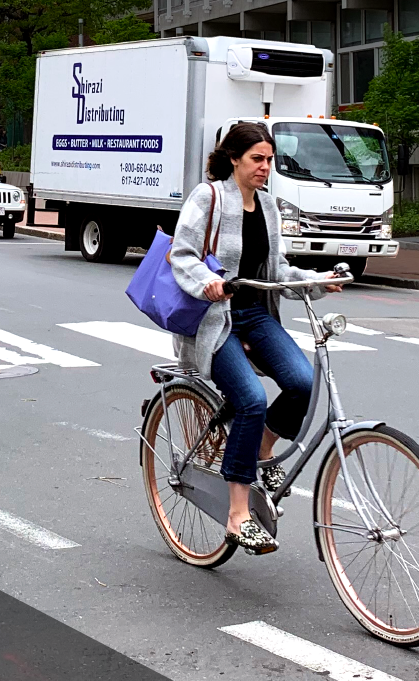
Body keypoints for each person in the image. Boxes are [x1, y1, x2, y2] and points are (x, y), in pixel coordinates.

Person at [165, 123, 343, 555]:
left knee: (303, 383)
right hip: (214, 318)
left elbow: (277, 270)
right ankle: (238, 515)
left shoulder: (267, 206)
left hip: (254, 313)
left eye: (269, 160)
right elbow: (182, 254)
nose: (265, 168)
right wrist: (208, 282)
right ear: (234, 159)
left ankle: (262, 450)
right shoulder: (208, 197)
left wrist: (319, 280)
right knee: (250, 399)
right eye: (257, 159)